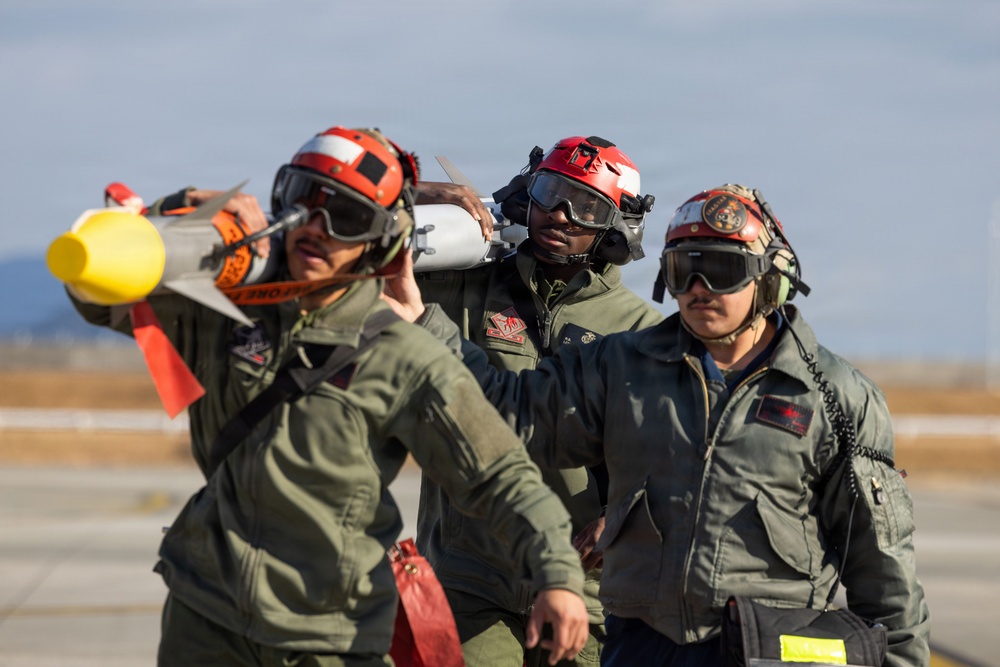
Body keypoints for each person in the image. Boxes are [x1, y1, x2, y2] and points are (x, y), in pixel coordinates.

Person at [67, 126, 590, 667]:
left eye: (346, 217)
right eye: (302, 200)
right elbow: (97, 297)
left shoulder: (400, 356)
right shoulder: (225, 313)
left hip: (327, 637)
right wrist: (167, 216)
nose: (313, 228)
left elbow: (498, 475)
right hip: (204, 617)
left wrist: (557, 575)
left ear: (382, 241)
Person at [386, 183, 931, 666]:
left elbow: (884, 572)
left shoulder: (835, 398)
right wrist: (424, 323)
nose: (697, 287)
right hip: (642, 644)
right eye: (681, 269)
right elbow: (512, 411)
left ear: (771, 279)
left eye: (719, 269)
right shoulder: (624, 367)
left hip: (768, 646)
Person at [412, 136, 663, 667]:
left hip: (588, 596)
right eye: (550, 192)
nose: (560, 215)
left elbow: (677, 459)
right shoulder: (467, 288)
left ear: (616, 225)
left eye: (587, 206)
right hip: (469, 580)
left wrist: (622, 514)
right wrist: (418, 192)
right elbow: (366, 256)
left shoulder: (645, 333)